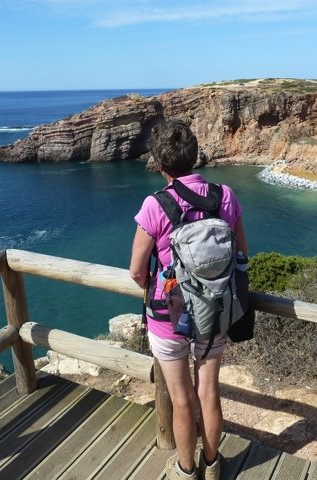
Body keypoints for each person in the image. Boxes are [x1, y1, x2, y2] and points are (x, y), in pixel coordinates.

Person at [130, 119, 248, 480]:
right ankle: (213, 466)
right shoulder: (224, 195)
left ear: (158, 163)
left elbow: (136, 271)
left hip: (168, 316)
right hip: (215, 310)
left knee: (181, 398)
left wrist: (153, 283)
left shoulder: (155, 205)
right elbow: (242, 255)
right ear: (195, 155)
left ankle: (185, 470)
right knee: (208, 392)